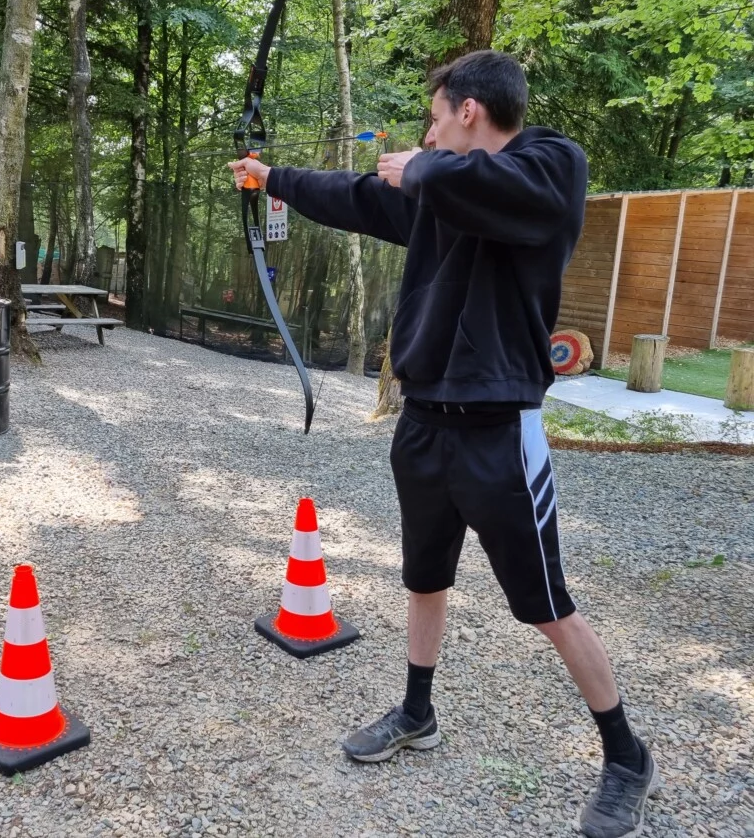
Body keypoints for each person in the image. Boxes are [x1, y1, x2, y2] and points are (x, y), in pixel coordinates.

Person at [227, 50, 659, 838]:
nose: (425, 133)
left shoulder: (550, 165)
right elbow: (357, 194)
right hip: (425, 420)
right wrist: (270, 176)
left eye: (433, 117)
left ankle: (626, 754)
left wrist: (420, 167)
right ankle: (416, 712)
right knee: (424, 578)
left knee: (545, 604)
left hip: (500, 428)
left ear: (468, 111)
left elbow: (477, 183)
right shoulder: (437, 190)